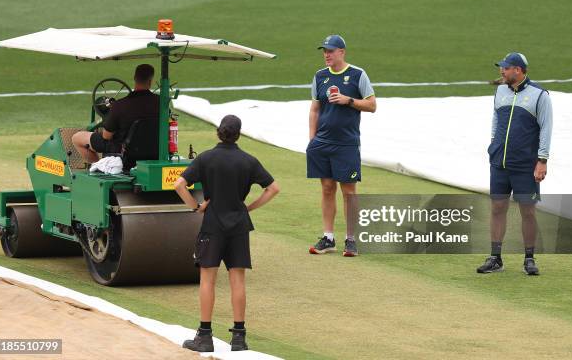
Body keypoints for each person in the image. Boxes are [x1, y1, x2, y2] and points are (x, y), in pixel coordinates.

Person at [174, 115, 280, 352]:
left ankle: (204, 336)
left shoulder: (205, 159)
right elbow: (273, 188)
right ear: (238, 134)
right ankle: (239, 337)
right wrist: (249, 207)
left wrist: (195, 207)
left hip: (212, 225)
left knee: (207, 280)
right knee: (237, 280)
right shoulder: (248, 161)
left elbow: (179, 185)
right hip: (239, 226)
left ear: (218, 132)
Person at [477, 52, 553, 276]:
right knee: (497, 208)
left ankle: (529, 258)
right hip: (499, 162)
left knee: (527, 211)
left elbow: (546, 129)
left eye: (505, 68)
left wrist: (542, 161)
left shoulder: (540, 96)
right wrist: (493, 145)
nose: (501, 71)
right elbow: (496, 120)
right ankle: (495, 257)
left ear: (518, 70)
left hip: (525, 165)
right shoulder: (500, 90)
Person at [306, 35, 377, 257]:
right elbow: (315, 109)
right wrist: (312, 140)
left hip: (346, 144)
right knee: (327, 189)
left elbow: (372, 105)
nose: (326, 54)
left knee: (349, 192)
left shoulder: (357, 75)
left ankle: (351, 239)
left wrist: (349, 101)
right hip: (322, 144)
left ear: (342, 52)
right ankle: (328, 238)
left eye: (331, 50)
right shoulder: (320, 76)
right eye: (324, 51)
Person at [72, 64, 159, 163]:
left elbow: (106, 136)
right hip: (154, 150)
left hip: (124, 151)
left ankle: (97, 166)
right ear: (150, 81)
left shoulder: (119, 106)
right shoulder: (161, 103)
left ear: (134, 78)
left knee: (77, 138)